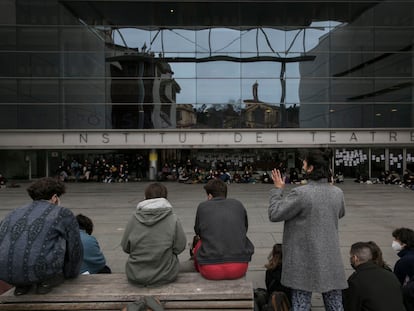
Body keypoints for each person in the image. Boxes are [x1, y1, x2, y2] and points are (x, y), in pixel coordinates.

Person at [268, 148, 347, 310]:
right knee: (335, 305)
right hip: (330, 258)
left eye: (304, 163)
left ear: (311, 168)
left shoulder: (301, 193)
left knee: (301, 304)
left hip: (303, 259)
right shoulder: (337, 192)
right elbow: (340, 213)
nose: (302, 166)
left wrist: (278, 189)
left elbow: (275, 214)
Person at [0, 177, 82, 296]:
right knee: (62, 236)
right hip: (42, 273)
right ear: (54, 198)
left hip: (5, 273)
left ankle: (22, 286)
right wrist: (71, 273)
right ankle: (46, 282)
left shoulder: (14, 212)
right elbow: (75, 248)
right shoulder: (62, 213)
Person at [121, 183, 187, 286]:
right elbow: (179, 247)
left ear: (145, 197)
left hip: (135, 274)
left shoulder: (133, 219)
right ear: (165, 197)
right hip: (165, 274)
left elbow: (126, 247)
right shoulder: (173, 219)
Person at [193, 179, 254, 280]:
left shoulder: (203, 206)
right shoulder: (238, 204)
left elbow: (198, 231)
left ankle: (198, 269)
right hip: (239, 268)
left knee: (199, 243)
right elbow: (244, 229)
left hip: (210, 271)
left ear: (209, 196)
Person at [343, 242, 406, 311]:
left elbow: (351, 307)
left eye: (351, 256)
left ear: (355, 258)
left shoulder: (355, 280)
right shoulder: (390, 274)